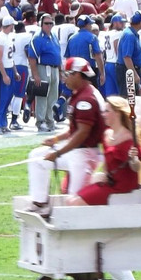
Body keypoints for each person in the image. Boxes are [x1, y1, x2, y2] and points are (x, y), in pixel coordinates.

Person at [26, 57, 105, 216]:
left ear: (78, 74)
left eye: (67, 74)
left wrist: (58, 153)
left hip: (85, 155)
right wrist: (56, 140)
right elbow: (74, 130)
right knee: (36, 157)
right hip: (77, 152)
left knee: (74, 203)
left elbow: (82, 134)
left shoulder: (86, 99)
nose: (64, 78)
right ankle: (40, 202)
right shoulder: (81, 94)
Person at [68, 96, 141, 206]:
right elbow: (107, 163)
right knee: (71, 200)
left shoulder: (129, 139)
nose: (103, 115)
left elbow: (136, 167)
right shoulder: (107, 134)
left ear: (117, 113)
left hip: (122, 187)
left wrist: (134, 159)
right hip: (109, 182)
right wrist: (102, 175)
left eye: (107, 111)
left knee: (75, 203)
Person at [26, 14, 62, 132]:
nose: (49, 25)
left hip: (54, 68)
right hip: (43, 67)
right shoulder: (37, 38)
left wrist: (60, 70)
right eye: (46, 23)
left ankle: (50, 120)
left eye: (51, 23)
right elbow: (32, 57)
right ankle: (40, 121)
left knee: (53, 96)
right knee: (42, 96)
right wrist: (35, 74)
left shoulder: (54, 36)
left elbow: (58, 54)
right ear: (41, 24)